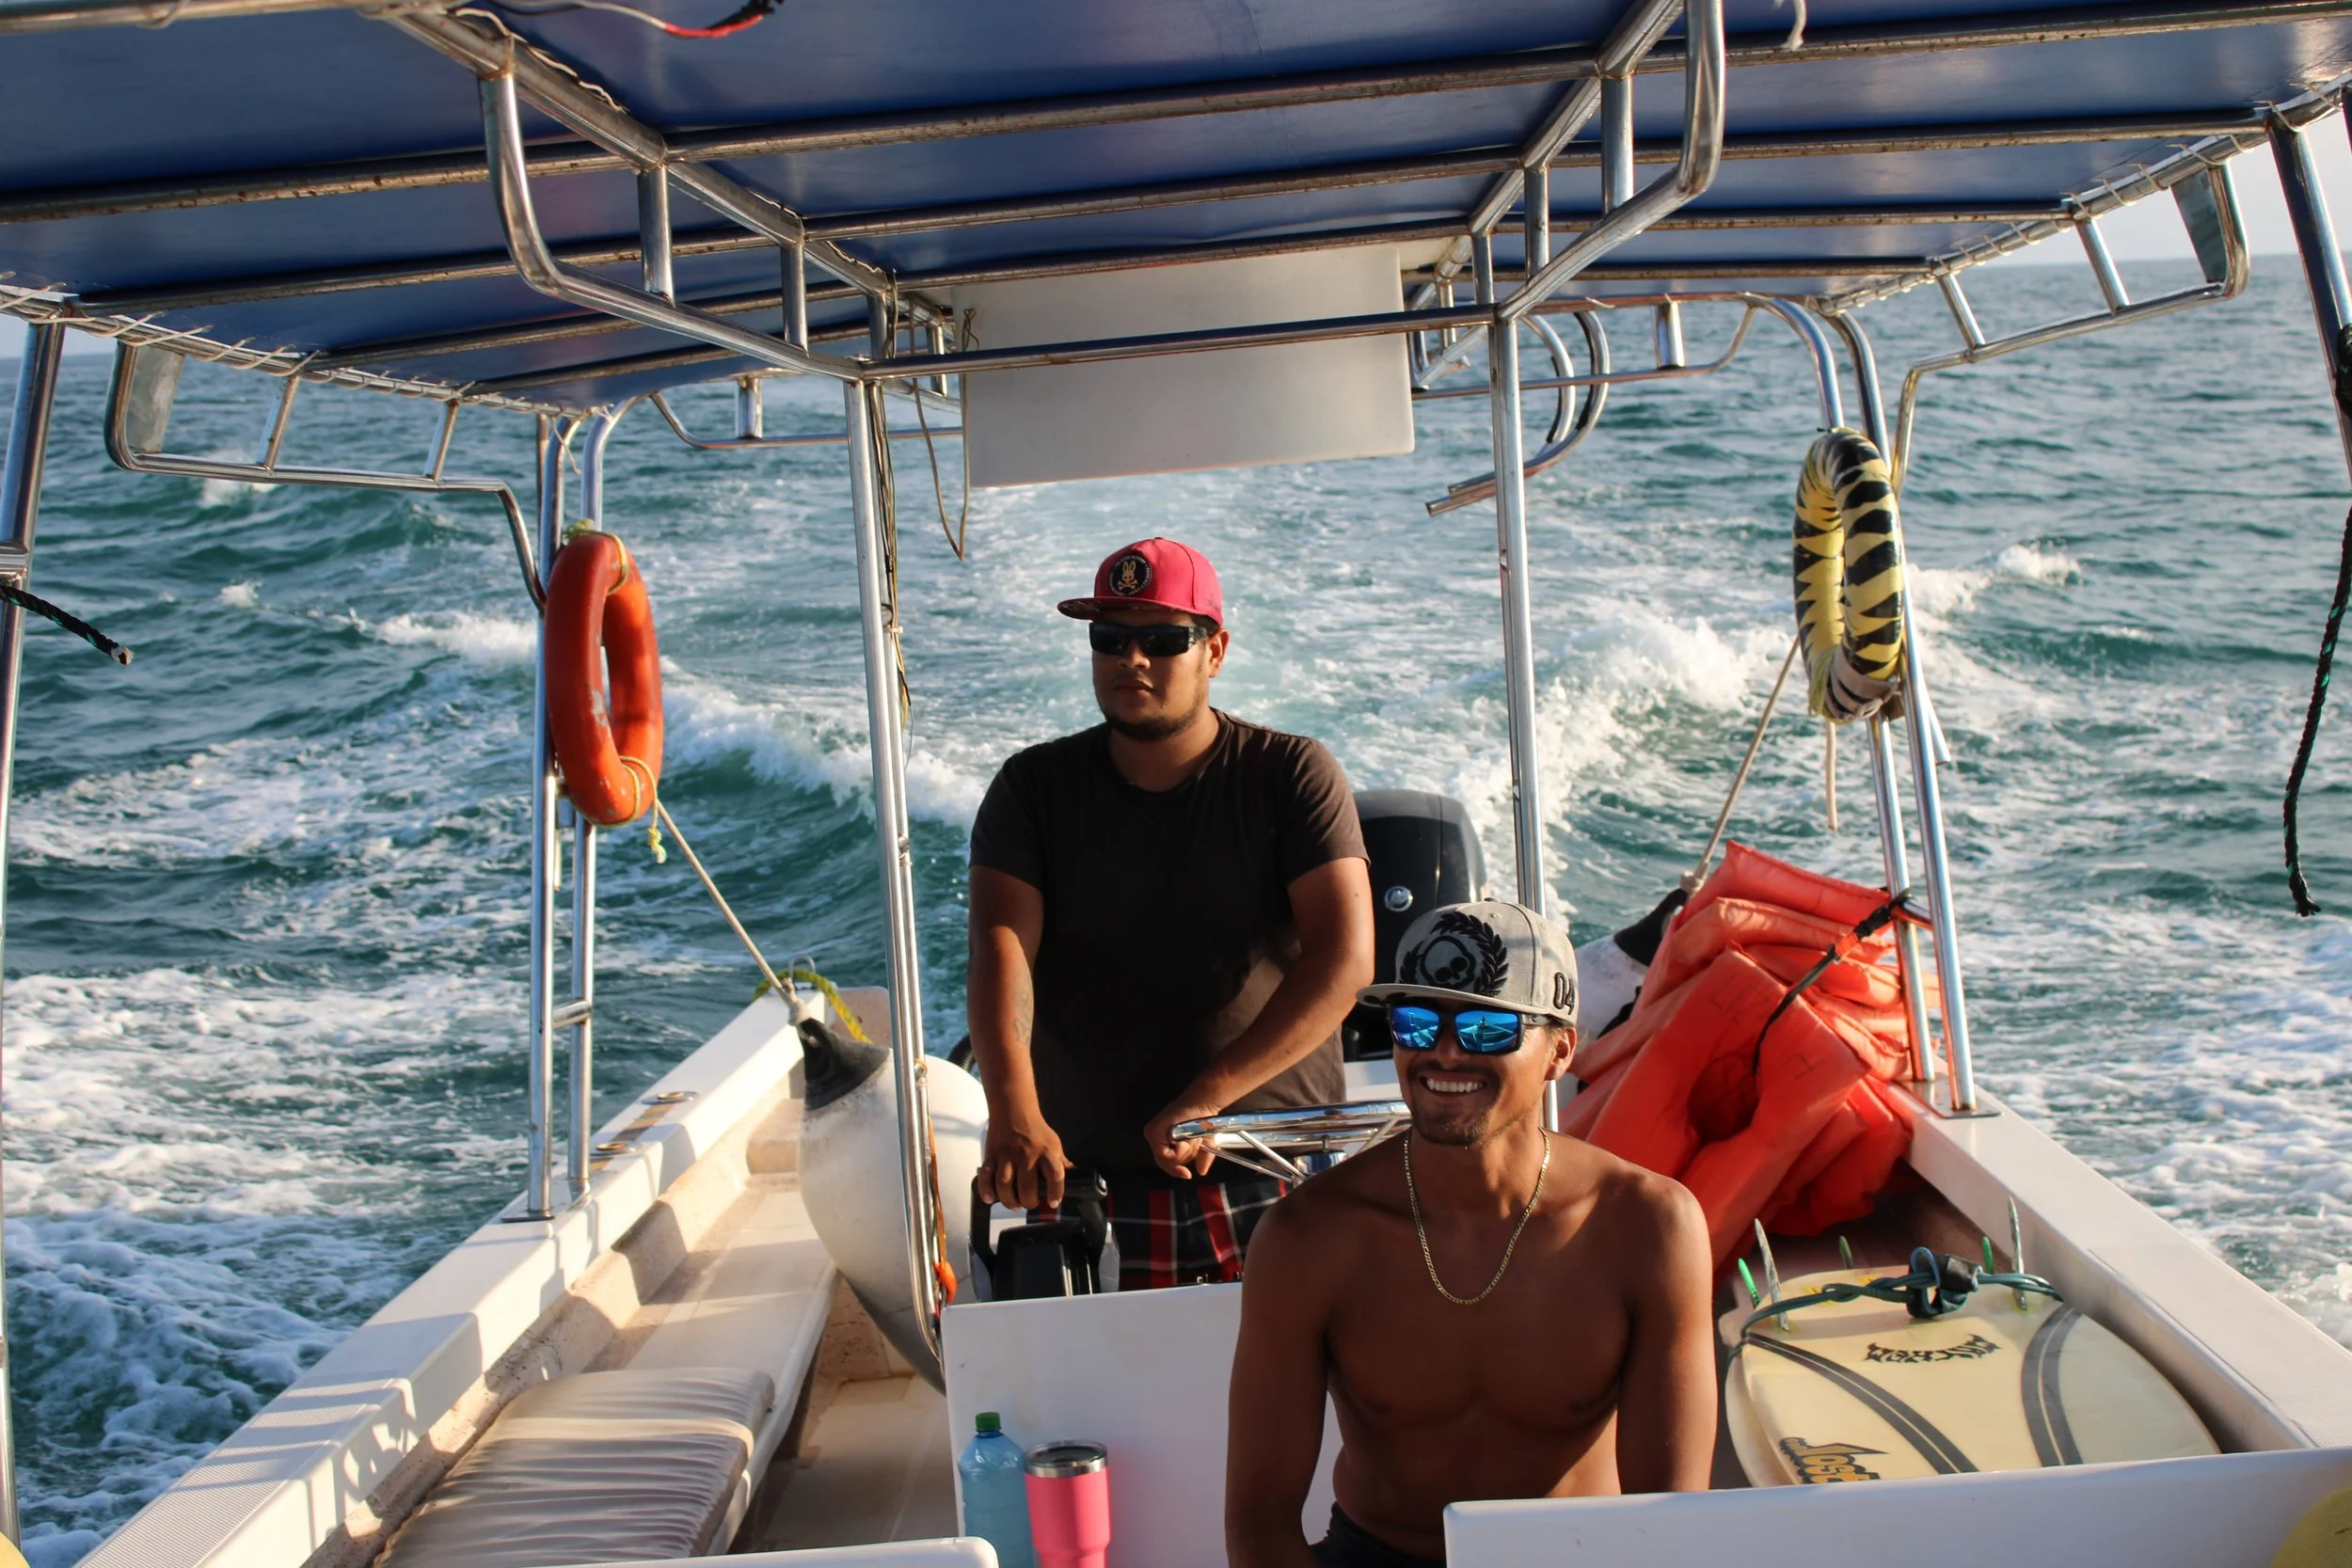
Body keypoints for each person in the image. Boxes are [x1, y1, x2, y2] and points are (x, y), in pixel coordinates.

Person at [1226, 900, 1716, 1568]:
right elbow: (1259, 1527)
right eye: (1417, 1023)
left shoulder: (1647, 1226)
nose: (1445, 1052)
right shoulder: (1309, 1236)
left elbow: (1672, 1525)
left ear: (1560, 1050)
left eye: (1487, 1028)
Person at [966, 536, 1376, 1291]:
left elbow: (1344, 960)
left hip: (1269, 1167)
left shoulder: (1291, 775)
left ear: (1215, 651)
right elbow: (1002, 948)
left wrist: (1207, 1100)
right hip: (1089, 1186)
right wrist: (1014, 1110)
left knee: (1296, 1406)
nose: (1133, 659)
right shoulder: (1032, 789)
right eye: (1110, 637)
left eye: (1163, 638)